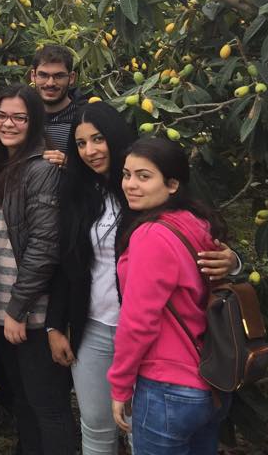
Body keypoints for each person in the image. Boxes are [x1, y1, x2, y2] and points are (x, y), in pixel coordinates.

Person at [48, 104, 240, 455]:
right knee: (96, 425)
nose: (90, 150)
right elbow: (66, 263)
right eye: (81, 143)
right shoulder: (78, 194)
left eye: (98, 139)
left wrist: (233, 261)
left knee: (143, 430)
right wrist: (55, 324)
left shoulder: (150, 197)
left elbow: (202, 245)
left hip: (151, 340)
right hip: (93, 326)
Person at [108, 138, 233, 454]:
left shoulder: (151, 235)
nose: (130, 185)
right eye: (126, 174)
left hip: (168, 387)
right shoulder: (196, 222)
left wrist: (120, 386)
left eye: (144, 176)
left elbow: (138, 322)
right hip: (210, 383)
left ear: (173, 184)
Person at [0, 84, 76, 455]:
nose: (8, 124)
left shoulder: (42, 170)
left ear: (33, 122)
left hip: (31, 313)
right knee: (23, 401)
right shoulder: (2, 166)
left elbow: (44, 248)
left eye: (19, 117)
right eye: (1, 116)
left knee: (47, 406)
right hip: (6, 310)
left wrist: (17, 310)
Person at [29, 44, 87, 164]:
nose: (50, 83)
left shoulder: (85, 118)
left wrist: (70, 164)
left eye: (59, 76)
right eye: (43, 75)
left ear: (71, 78)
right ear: (33, 76)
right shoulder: (21, 115)